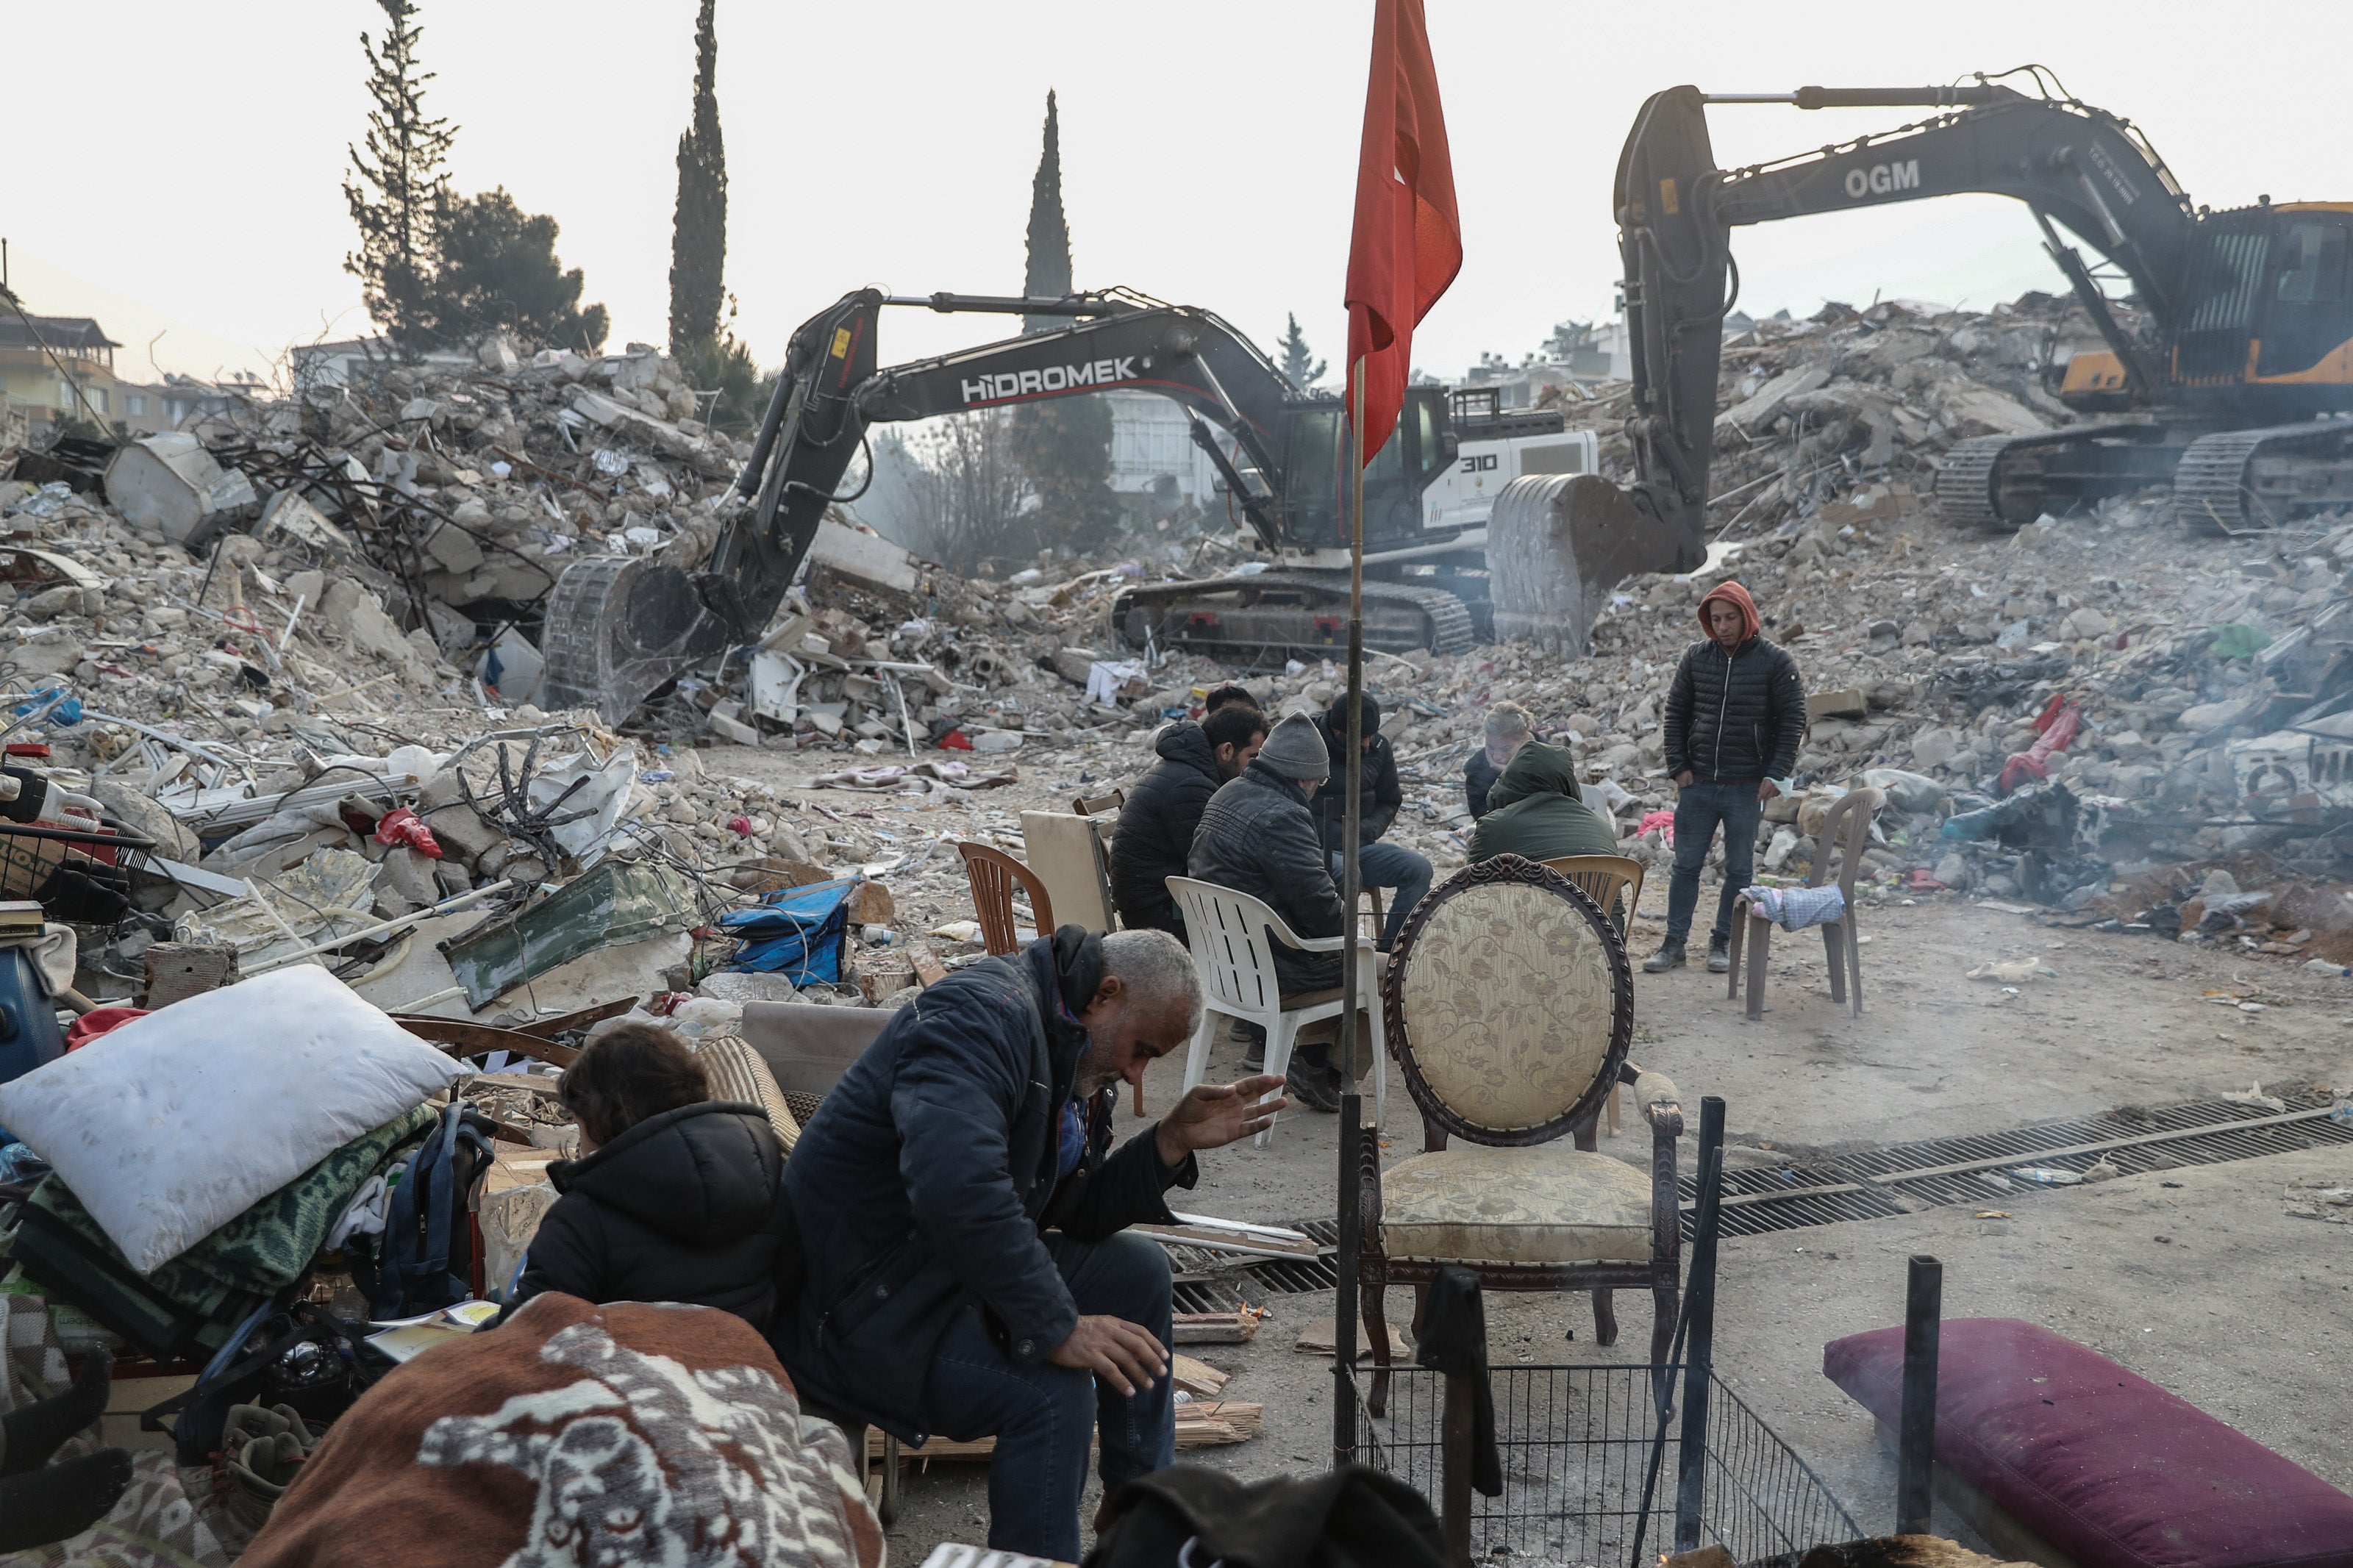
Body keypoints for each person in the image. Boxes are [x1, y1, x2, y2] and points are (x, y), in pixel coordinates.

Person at [773, 927, 1279, 1564]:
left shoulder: (1069, 1044)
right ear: (1106, 993)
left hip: (940, 1271)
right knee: (1051, 1394)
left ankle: (1140, 1519)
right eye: (1141, 1049)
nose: (1135, 1071)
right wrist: (1056, 1324)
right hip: (863, 1303)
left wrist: (1168, 1143)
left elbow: (1070, 1207)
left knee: (1138, 1272)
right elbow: (954, 1188)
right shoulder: (979, 1019)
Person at [502, 1022, 786, 1331]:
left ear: (600, 1117)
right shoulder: (766, 1181)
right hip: (750, 1373)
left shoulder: (583, 1216)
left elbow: (523, 1334)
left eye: (576, 1118)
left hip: (632, 1375)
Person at [1188, 712, 1371, 1111]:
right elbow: (1323, 913)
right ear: (1304, 778)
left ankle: (1310, 1056)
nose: (1317, 790)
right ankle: (1327, 1070)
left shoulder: (1227, 793)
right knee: (1382, 968)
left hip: (1222, 962)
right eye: (1319, 782)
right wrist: (1360, 937)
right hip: (1268, 971)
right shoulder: (1283, 816)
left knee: (1341, 953)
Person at [1647, 580, 1804, 974]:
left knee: (1738, 870)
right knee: (1685, 866)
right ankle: (1674, 943)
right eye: (1715, 619)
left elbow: (1792, 721)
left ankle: (1721, 941)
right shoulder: (1696, 658)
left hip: (1746, 787)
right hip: (1698, 784)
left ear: (1746, 615)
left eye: (1730, 617)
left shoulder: (1775, 661)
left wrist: (1777, 773)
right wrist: (1678, 766)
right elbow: (1676, 714)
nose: (1723, 626)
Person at [1110, 703, 1268, 937]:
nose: (1256, 767)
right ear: (1226, 751)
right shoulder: (1190, 786)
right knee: (1258, 926)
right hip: (1156, 910)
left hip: (1155, 898)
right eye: (1252, 756)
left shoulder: (1186, 770)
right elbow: (1212, 863)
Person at [1312, 692, 1433, 952]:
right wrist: (1329, 831)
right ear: (1337, 730)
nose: (1367, 743)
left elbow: (1390, 800)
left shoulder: (1378, 748)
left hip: (1361, 845)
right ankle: (1336, 957)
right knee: (1347, 875)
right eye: (1361, 737)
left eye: (1371, 736)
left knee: (1418, 868)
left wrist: (1368, 829)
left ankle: (1388, 954)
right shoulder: (1309, 741)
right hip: (1316, 847)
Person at [1463, 701, 1532, 819]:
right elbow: (1485, 818)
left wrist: (1515, 773)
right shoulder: (1477, 772)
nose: (1496, 757)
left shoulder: (1549, 755)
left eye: (1505, 749)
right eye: (1491, 747)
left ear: (1524, 740)